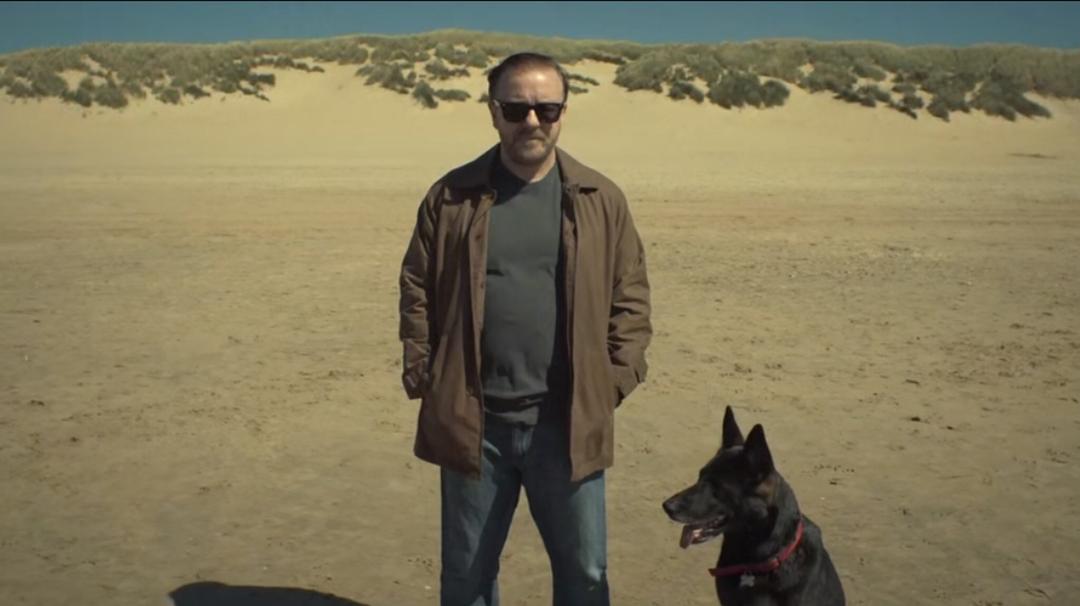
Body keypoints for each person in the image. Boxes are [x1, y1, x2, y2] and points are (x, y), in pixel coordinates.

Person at [398, 51, 652, 606]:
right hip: (474, 422)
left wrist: (612, 382)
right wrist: (425, 373)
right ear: (494, 112)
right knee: (467, 576)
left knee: (586, 574)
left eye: (546, 108)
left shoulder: (599, 199)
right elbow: (416, 287)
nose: (531, 121)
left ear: (563, 113)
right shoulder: (451, 197)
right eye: (515, 109)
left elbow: (630, 297)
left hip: (567, 423)